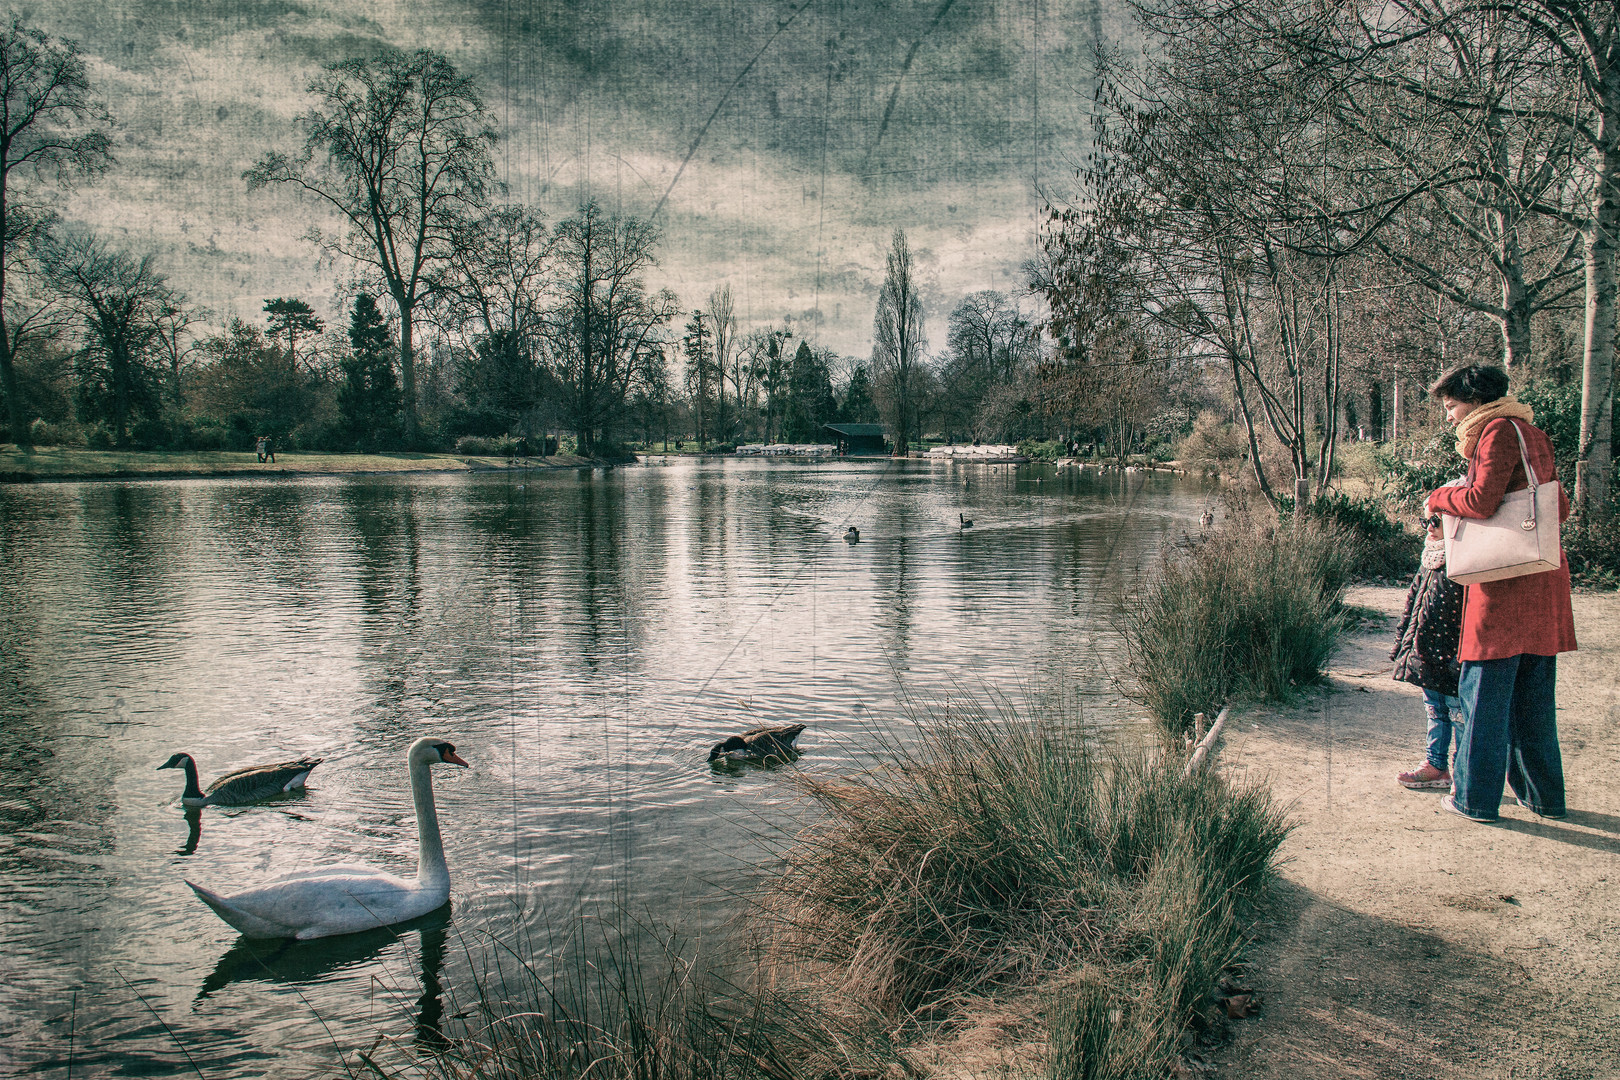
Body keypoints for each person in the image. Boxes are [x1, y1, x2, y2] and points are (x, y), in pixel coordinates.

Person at [1423, 363, 1576, 823]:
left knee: (1483, 696)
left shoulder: (1494, 432)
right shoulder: (1532, 432)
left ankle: (1474, 800)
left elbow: (1481, 502)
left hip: (1502, 583)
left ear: (1474, 400)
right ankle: (1543, 797)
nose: (1448, 417)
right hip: (1541, 578)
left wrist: (1438, 497)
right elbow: (1559, 506)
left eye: (1451, 407)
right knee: (1532, 700)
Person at [1389, 514, 1465, 790]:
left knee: (1458, 714)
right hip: (1426, 653)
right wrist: (1402, 644)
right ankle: (1436, 765)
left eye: (1435, 520)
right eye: (1425, 521)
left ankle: (1462, 774)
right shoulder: (1430, 558)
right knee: (1435, 710)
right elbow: (1413, 603)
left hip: (1455, 656)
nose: (1429, 527)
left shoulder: (1466, 561)